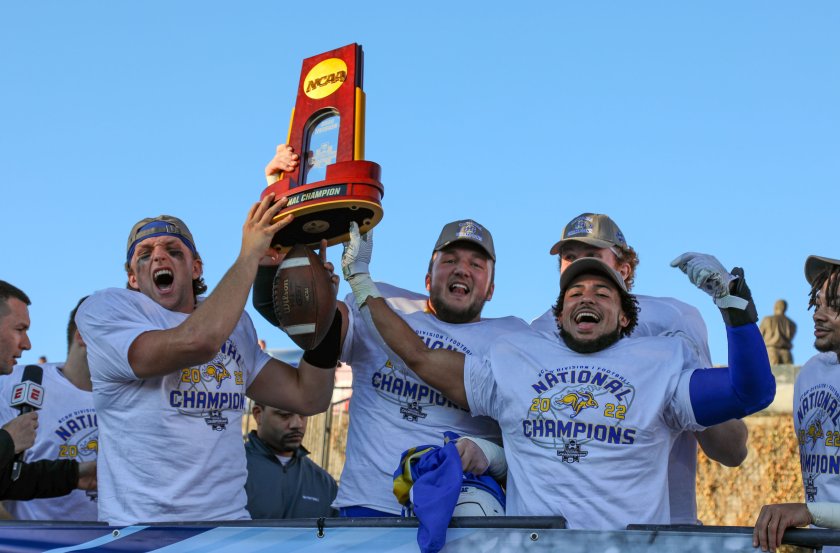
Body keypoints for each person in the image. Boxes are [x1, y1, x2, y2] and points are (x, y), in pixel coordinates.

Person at [344, 234, 775, 529]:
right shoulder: (519, 359)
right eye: (574, 293)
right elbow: (420, 356)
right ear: (558, 314)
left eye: (602, 293)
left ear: (626, 316)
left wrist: (733, 305)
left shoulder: (660, 363)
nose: (587, 296)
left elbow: (750, 391)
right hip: (537, 544)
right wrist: (361, 282)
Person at [253, 146, 529, 517]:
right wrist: (281, 212)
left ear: (492, 289)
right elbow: (303, 322)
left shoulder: (511, 338)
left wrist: (488, 453)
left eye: (476, 265)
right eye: (449, 261)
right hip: (366, 508)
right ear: (428, 278)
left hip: (457, 510)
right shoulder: (388, 301)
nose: (462, 270)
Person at [75, 196, 341, 525]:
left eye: (173, 250)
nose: (158, 255)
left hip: (225, 528)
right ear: (132, 278)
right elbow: (197, 342)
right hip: (142, 532)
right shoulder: (107, 310)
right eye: (144, 255)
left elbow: (309, 396)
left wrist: (326, 319)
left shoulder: (234, 322)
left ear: (196, 267)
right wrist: (250, 256)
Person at [530, 213, 749, 524]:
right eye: (569, 257)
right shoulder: (538, 332)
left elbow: (731, 449)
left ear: (624, 268)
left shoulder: (672, 319)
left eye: (592, 256)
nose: (580, 265)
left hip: (659, 530)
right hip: (561, 533)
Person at [753, 255, 840, 553]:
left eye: (835, 305)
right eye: (818, 303)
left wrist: (809, 512)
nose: (818, 314)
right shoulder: (810, 374)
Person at [0, 296, 98, 521]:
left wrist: (75, 476)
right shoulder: (13, 384)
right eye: (19, 329)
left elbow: (8, 481)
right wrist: (27, 539)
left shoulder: (147, 389)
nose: (27, 344)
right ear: (82, 335)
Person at [244, 402, 337, 518]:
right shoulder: (231, 473)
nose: (297, 424)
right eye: (285, 415)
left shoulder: (325, 484)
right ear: (258, 415)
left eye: (303, 415)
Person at [760, 299, 797, 365]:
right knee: (788, 374)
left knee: (771, 373)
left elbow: (758, 337)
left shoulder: (767, 319)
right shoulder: (792, 324)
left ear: (775, 307)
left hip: (771, 352)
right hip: (786, 353)